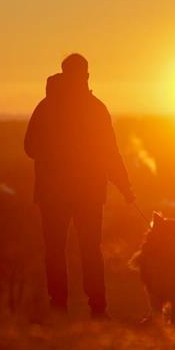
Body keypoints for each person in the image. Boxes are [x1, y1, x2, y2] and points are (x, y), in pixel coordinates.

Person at [25, 53, 134, 318]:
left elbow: (29, 147)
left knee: (55, 250)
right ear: (86, 75)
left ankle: (58, 307)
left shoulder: (46, 106)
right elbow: (110, 153)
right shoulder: (95, 108)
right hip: (88, 192)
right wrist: (125, 187)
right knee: (90, 250)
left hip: (52, 193)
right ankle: (97, 309)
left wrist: (53, 157)